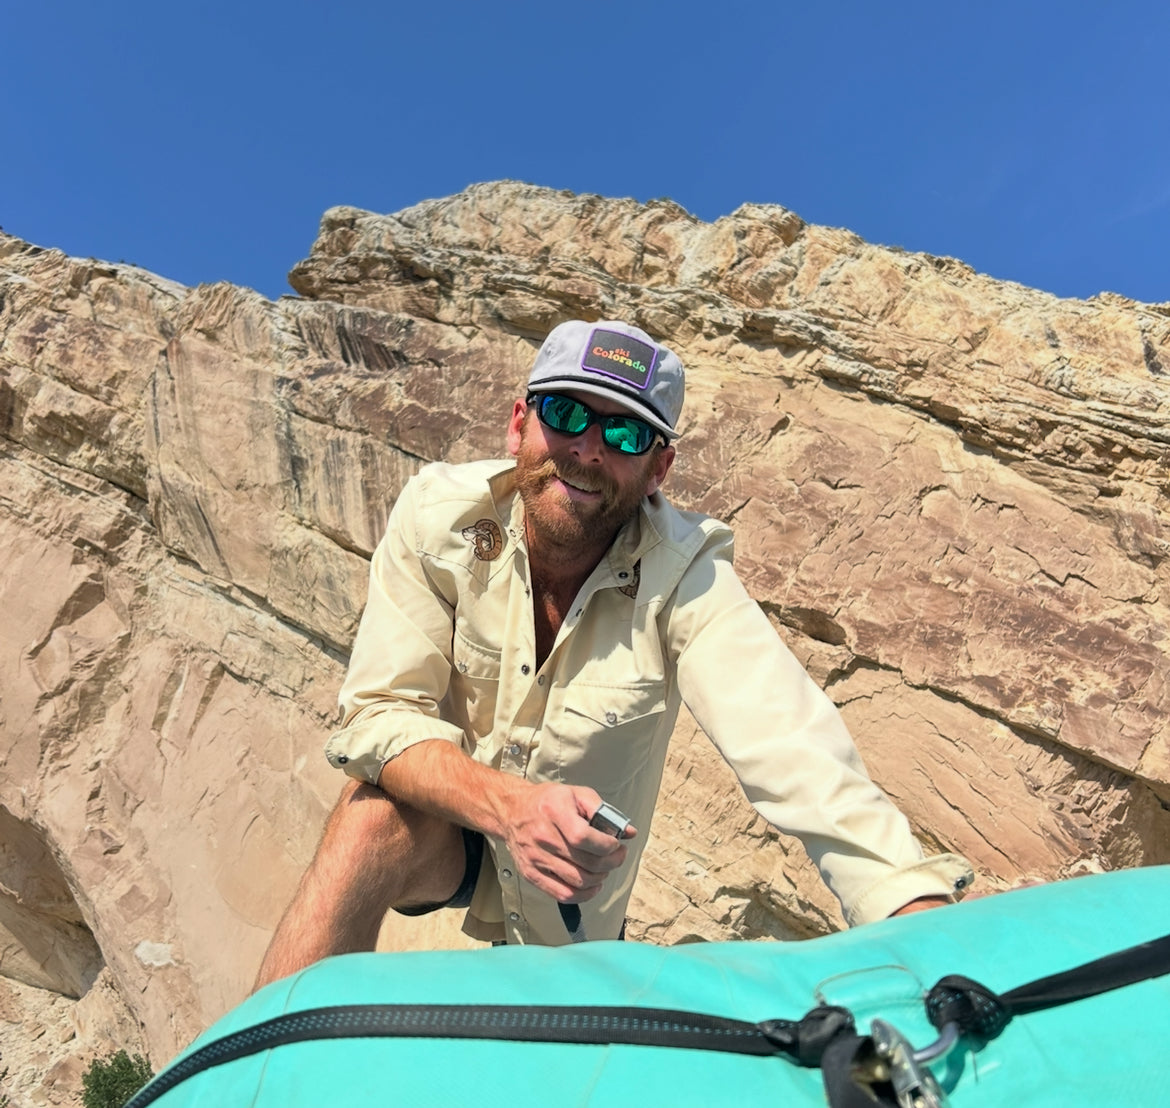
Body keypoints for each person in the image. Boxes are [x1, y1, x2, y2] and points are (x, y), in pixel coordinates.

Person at [254, 319, 972, 989]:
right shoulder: (437, 518)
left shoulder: (685, 574)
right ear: (519, 422)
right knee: (367, 818)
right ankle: (257, 1067)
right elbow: (380, 714)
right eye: (566, 413)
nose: (589, 449)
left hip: (573, 906)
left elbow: (789, 740)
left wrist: (911, 912)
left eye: (626, 434)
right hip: (455, 823)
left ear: (659, 468)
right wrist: (509, 807)